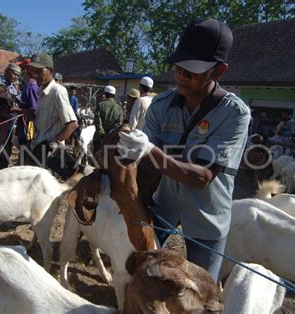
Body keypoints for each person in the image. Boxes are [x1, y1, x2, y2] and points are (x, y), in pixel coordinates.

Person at [117, 18, 250, 281]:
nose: (182, 76)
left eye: (193, 71)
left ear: (219, 71)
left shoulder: (234, 114)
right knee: (142, 274)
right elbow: (145, 164)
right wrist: (126, 152)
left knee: (200, 287)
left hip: (207, 216)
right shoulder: (161, 105)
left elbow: (200, 177)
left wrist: (148, 151)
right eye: (179, 67)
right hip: (164, 206)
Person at [27, 53, 78, 166]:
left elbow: (72, 124)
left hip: (49, 156)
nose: (36, 75)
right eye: (34, 71)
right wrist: (33, 116)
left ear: (50, 70)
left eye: (40, 71)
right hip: (36, 150)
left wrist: (54, 143)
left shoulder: (57, 91)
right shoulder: (40, 92)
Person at [93, 85, 123, 150]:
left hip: (99, 139)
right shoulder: (119, 107)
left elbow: (98, 122)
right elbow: (119, 123)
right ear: (114, 95)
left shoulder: (100, 105)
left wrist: (102, 135)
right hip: (112, 140)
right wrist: (110, 135)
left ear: (105, 94)